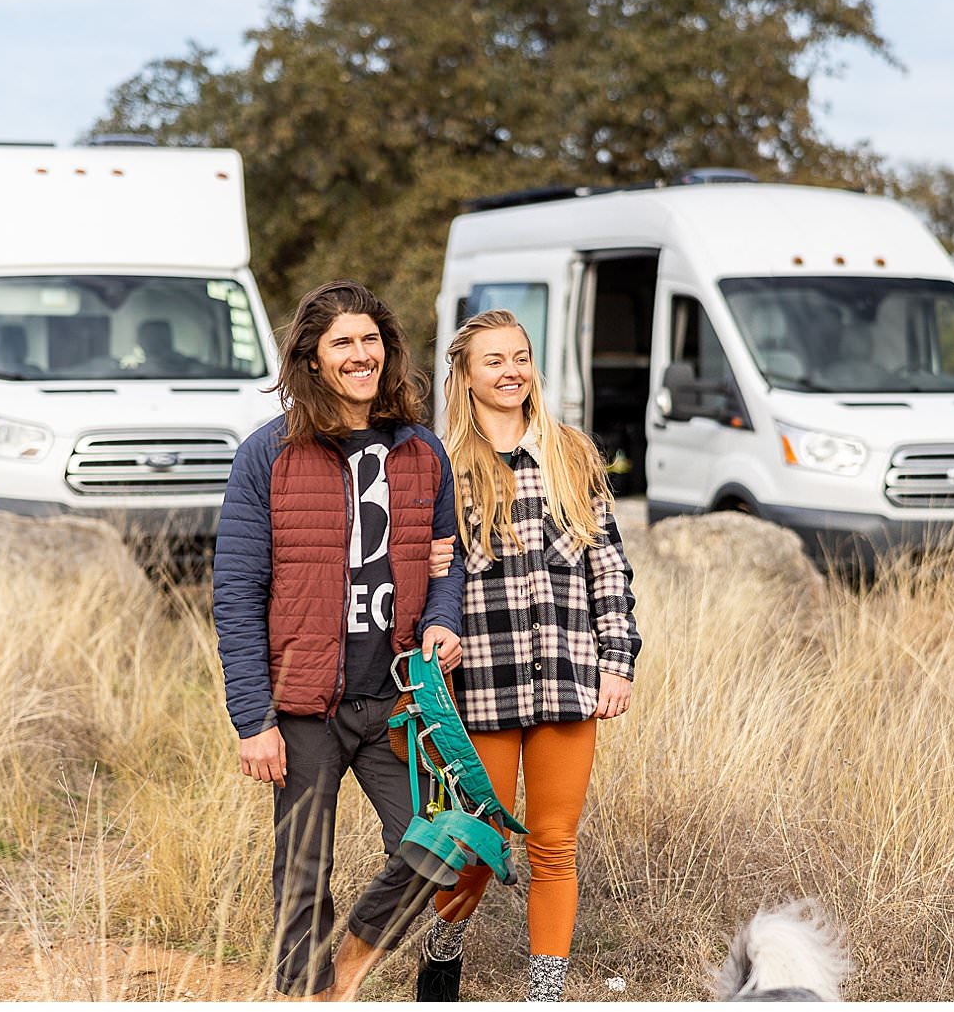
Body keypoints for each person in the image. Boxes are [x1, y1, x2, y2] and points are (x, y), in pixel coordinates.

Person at [212, 280, 466, 1000]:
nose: (361, 355)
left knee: (438, 841)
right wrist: (253, 719)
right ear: (314, 359)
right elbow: (235, 593)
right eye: (343, 343)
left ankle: (346, 963)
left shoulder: (423, 451)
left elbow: (445, 557)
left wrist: (442, 619)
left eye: (371, 340)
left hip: (396, 700)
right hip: (303, 706)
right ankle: (302, 993)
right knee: (301, 868)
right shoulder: (268, 454)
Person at [415, 308, 642, 1002]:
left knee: (554, 843)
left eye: (521, 356)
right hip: (480, 685)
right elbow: (427, 578)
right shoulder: (441, 464)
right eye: (494, 360)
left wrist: (617, 660)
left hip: (569, 680)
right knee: (478, 845)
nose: (511, 370)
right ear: (467, 373)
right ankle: (443, 941)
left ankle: (546, 993)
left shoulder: (572, 452)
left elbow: (609, 568)